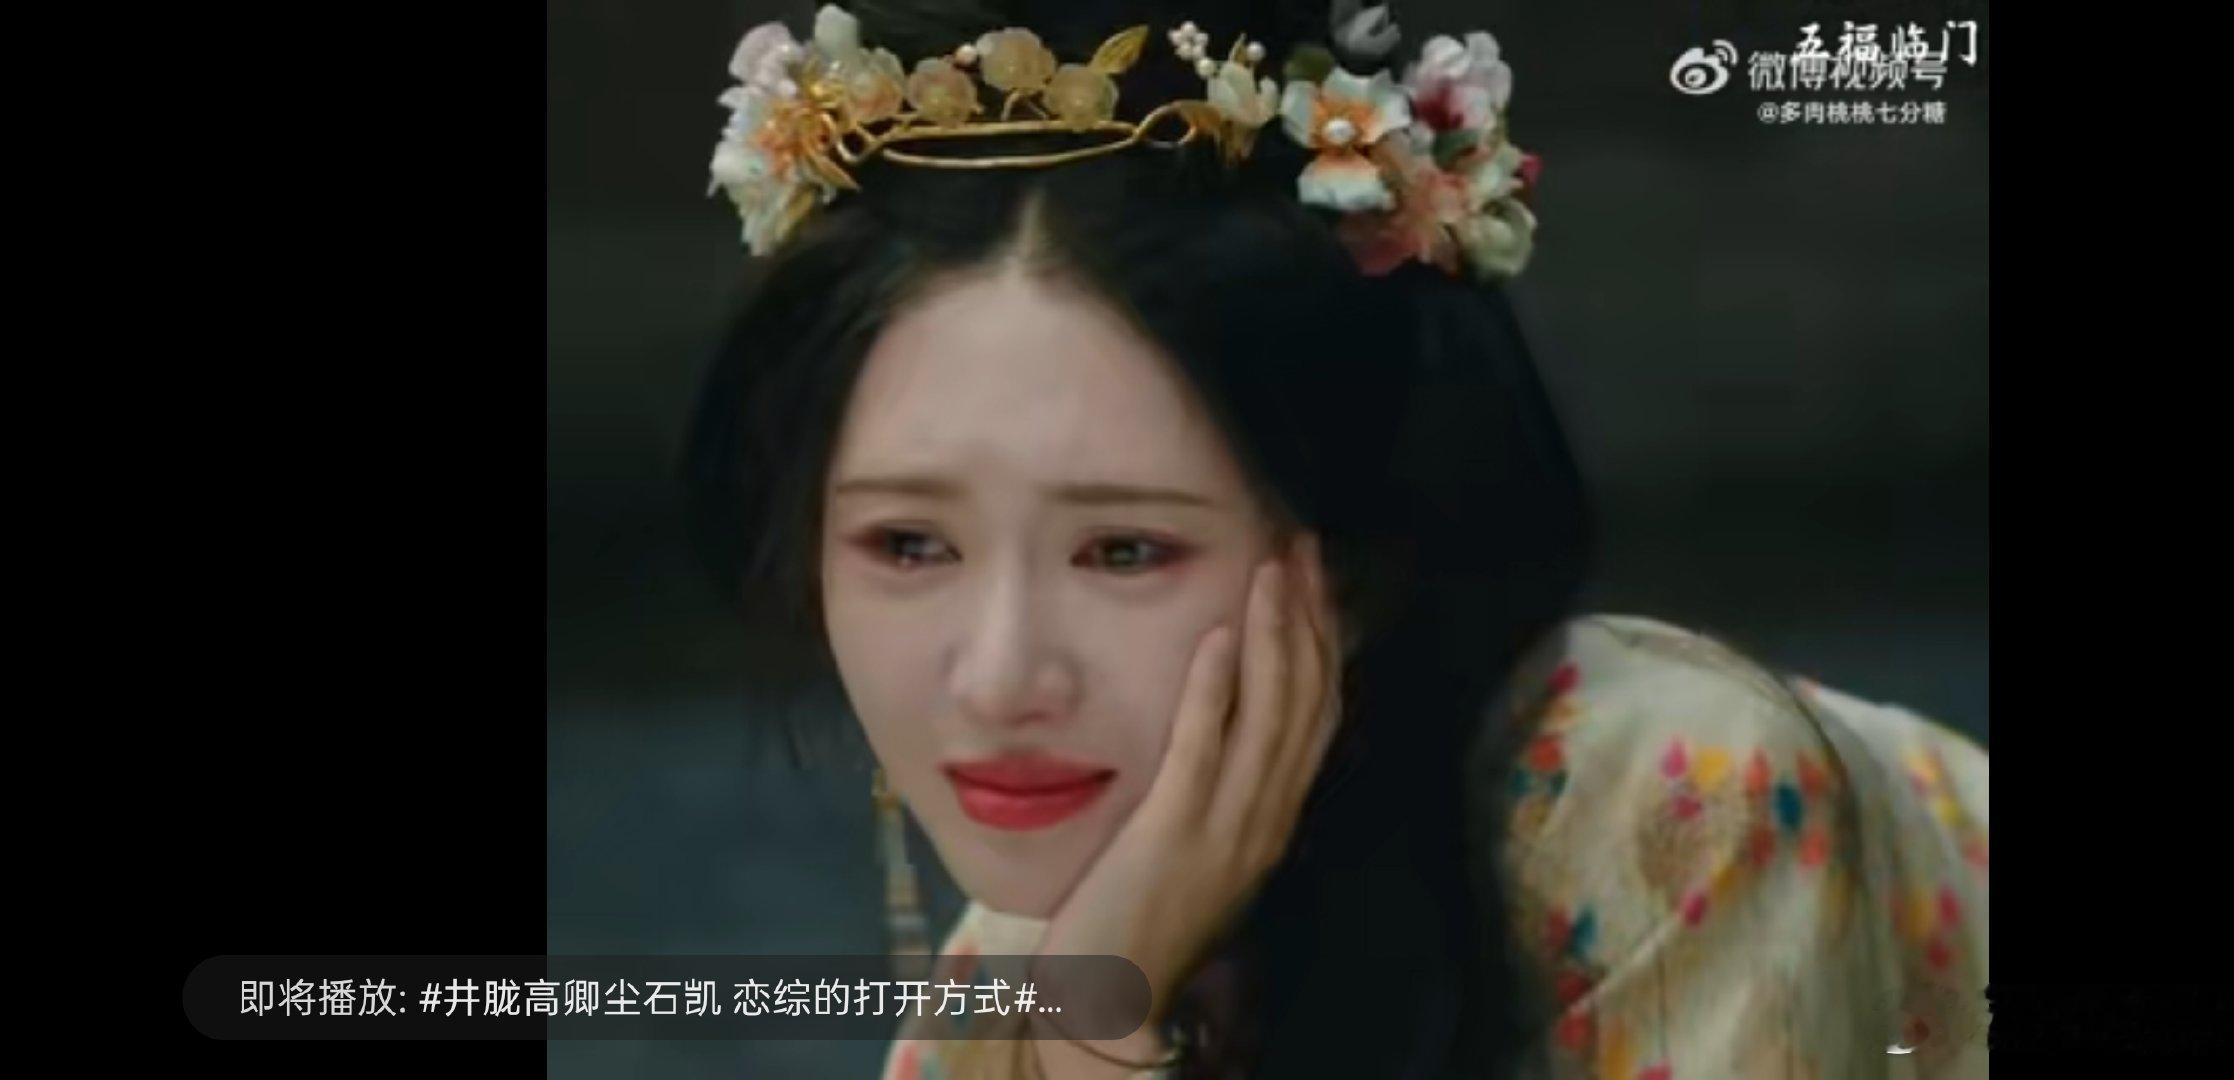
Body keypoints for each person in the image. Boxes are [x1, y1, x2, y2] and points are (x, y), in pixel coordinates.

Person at [681, 2, 1988, 1077]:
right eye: (908, 546)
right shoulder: (1037, 960)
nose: (998, 677)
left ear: (1353, 567)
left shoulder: (1677, 799)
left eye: (1124, 551)